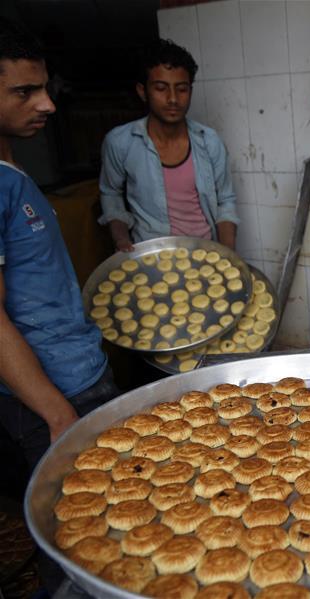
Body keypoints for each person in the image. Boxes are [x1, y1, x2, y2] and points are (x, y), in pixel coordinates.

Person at [0, 18, 118, 472]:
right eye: (24, 92)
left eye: (45, 88)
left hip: (80, 374)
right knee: (77, 528)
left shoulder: (12, 172)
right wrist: (56, 412)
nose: (47, 104)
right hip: (52, 398)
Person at [98, 39, 239, 251]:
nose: (173, 99)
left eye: (181, 89)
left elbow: (225, 201)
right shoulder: (120, 142)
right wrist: (121, 239)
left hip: (204, 253)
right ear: (142, 91)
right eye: (161, 88)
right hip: (152, 254)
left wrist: (228, 255)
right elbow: (110, 193)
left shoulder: (210, 141)